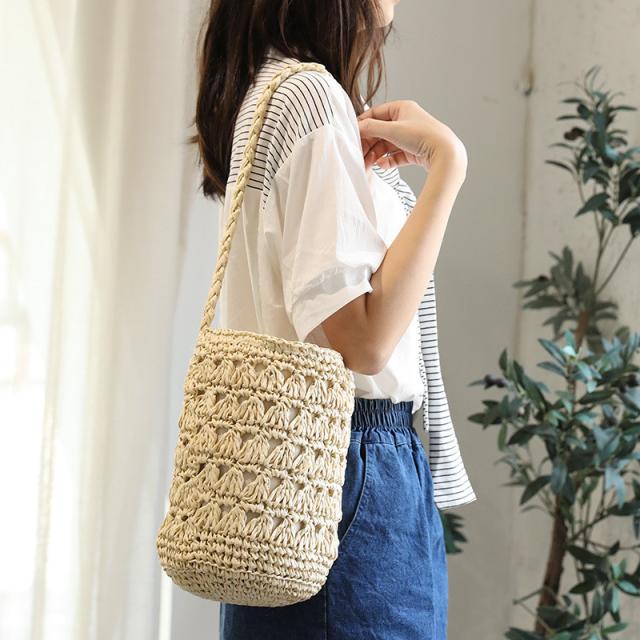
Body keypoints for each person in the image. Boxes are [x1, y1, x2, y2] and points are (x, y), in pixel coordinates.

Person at [189, 1, 475, 637]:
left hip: (296, 470)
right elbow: (364, 343)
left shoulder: (272, 91)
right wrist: (447, 166)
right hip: (351, 465)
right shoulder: (309, 99)